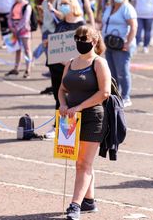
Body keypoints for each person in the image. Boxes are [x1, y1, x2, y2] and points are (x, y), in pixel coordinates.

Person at [59, 26, 111, 220]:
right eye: (77, 38)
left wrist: (79, 106)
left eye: (85, 38)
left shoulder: (99, 63)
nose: (80, 41)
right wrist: (63, 104)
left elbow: (104, 93)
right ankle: (89, 200)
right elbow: (62, 89)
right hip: (70, 118)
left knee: (83, 163)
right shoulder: (71, 63)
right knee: (80, 162)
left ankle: (75, 205)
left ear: (94, 41)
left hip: (93, 118)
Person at [44, 0, 86, 139]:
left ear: (73, 5)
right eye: (61, 4)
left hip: (71, 67)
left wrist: (70, 61)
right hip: (56, 66)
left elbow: (82, 47)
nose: (62, 6)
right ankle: (59, 127)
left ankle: (69, 128)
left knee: (71, 97)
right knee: (58, 97)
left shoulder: (80, 25)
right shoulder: (61, 23)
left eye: (65, 4)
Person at [102, 0, 137, 107]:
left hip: (121, 45)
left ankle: (126, 96)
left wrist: (128, 42)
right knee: (112, 73)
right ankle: (116, 96)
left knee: (122, 71)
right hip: (109, 44)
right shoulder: (109, 8)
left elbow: (134, 26)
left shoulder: (127, 8)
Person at [6, 0, 32, 78]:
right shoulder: (14, 5)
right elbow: (9, 17)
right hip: (15, 30)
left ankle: (28, 69)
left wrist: (17, 28)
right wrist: (11, 27)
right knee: (17, 49)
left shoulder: (27, 6)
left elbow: (26, 19)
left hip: (24, 30)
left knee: (27, 49)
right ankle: (16, 68)